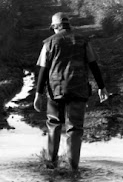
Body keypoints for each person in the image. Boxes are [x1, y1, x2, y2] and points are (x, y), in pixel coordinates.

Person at [33, 12, 108, 171]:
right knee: (75, 129)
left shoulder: (49, 43)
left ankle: (50, 163)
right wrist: (101, 87)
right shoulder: (83, 41)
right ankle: (73, 168)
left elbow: (43, 70)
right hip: (79, 89)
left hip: (56, 90)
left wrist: (38, 93)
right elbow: (93, 65)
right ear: (69, 25)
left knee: (54, 124)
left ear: (55, 27)